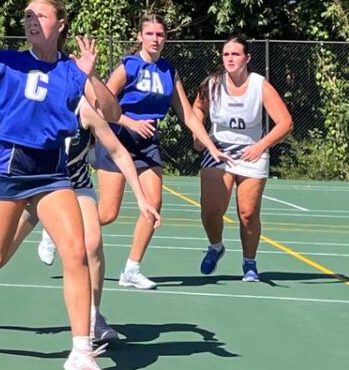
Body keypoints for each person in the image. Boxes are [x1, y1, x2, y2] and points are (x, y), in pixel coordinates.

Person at [0, 0, 119, 370]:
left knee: (76, 251)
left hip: (51, 172)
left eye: (40, 16)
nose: (31, 21)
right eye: (28, 15)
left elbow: (112, 113)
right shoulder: (9, 61)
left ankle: (81, 351)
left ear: (60, 25)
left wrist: (92, 75)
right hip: (8, 168)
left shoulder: (72, 70)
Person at [0, 95, 162, 346]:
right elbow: (7, 147)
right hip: (36, 187)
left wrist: (141, 198)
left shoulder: (85, 110)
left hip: (76, 185)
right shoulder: (34, 104)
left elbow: (118, 151)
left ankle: (94, 317)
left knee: (92, 244)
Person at [94, 15, 218, 291]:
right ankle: (57, 229)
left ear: (166, 38)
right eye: (149, 33)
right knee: (108, 213)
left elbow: (188, 115)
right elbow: (102, 105)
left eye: (160, 34)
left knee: (153, 203)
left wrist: (211, 146)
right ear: (140, 36)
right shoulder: (128, 66)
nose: (155, 39)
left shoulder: (168, 72)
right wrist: (130, 122)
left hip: (147, 144)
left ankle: (131, 269)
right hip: (117, 140)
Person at [193, 35, 293, 282]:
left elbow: (285, 122)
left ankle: (250, 263)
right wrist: (199, 134)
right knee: (211, 211)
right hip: (219, 149)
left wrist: (261, 145)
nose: (230, 59)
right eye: (226, 54)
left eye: (235, 54)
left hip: (251, 151)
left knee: (247, 213)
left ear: (247, 58)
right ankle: (215, 247)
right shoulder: (212, 84)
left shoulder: (259, 85)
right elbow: (197, 109)